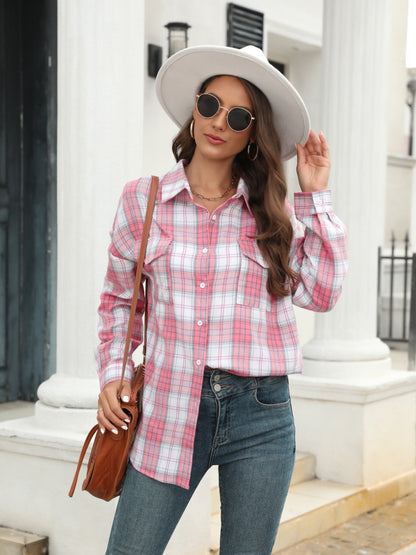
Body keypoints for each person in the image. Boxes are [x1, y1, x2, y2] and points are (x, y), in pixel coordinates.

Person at [96, 45, 348, 554]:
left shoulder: (271, 213)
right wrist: (113, 375)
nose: (219, 122)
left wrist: (314, 197)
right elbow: (119, 303)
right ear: (194, 108)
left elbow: (321, 293)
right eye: (210, 105)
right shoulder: (142, 201)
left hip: (261, 414)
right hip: (168, 405)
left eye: (238, 116)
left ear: (252, 133)